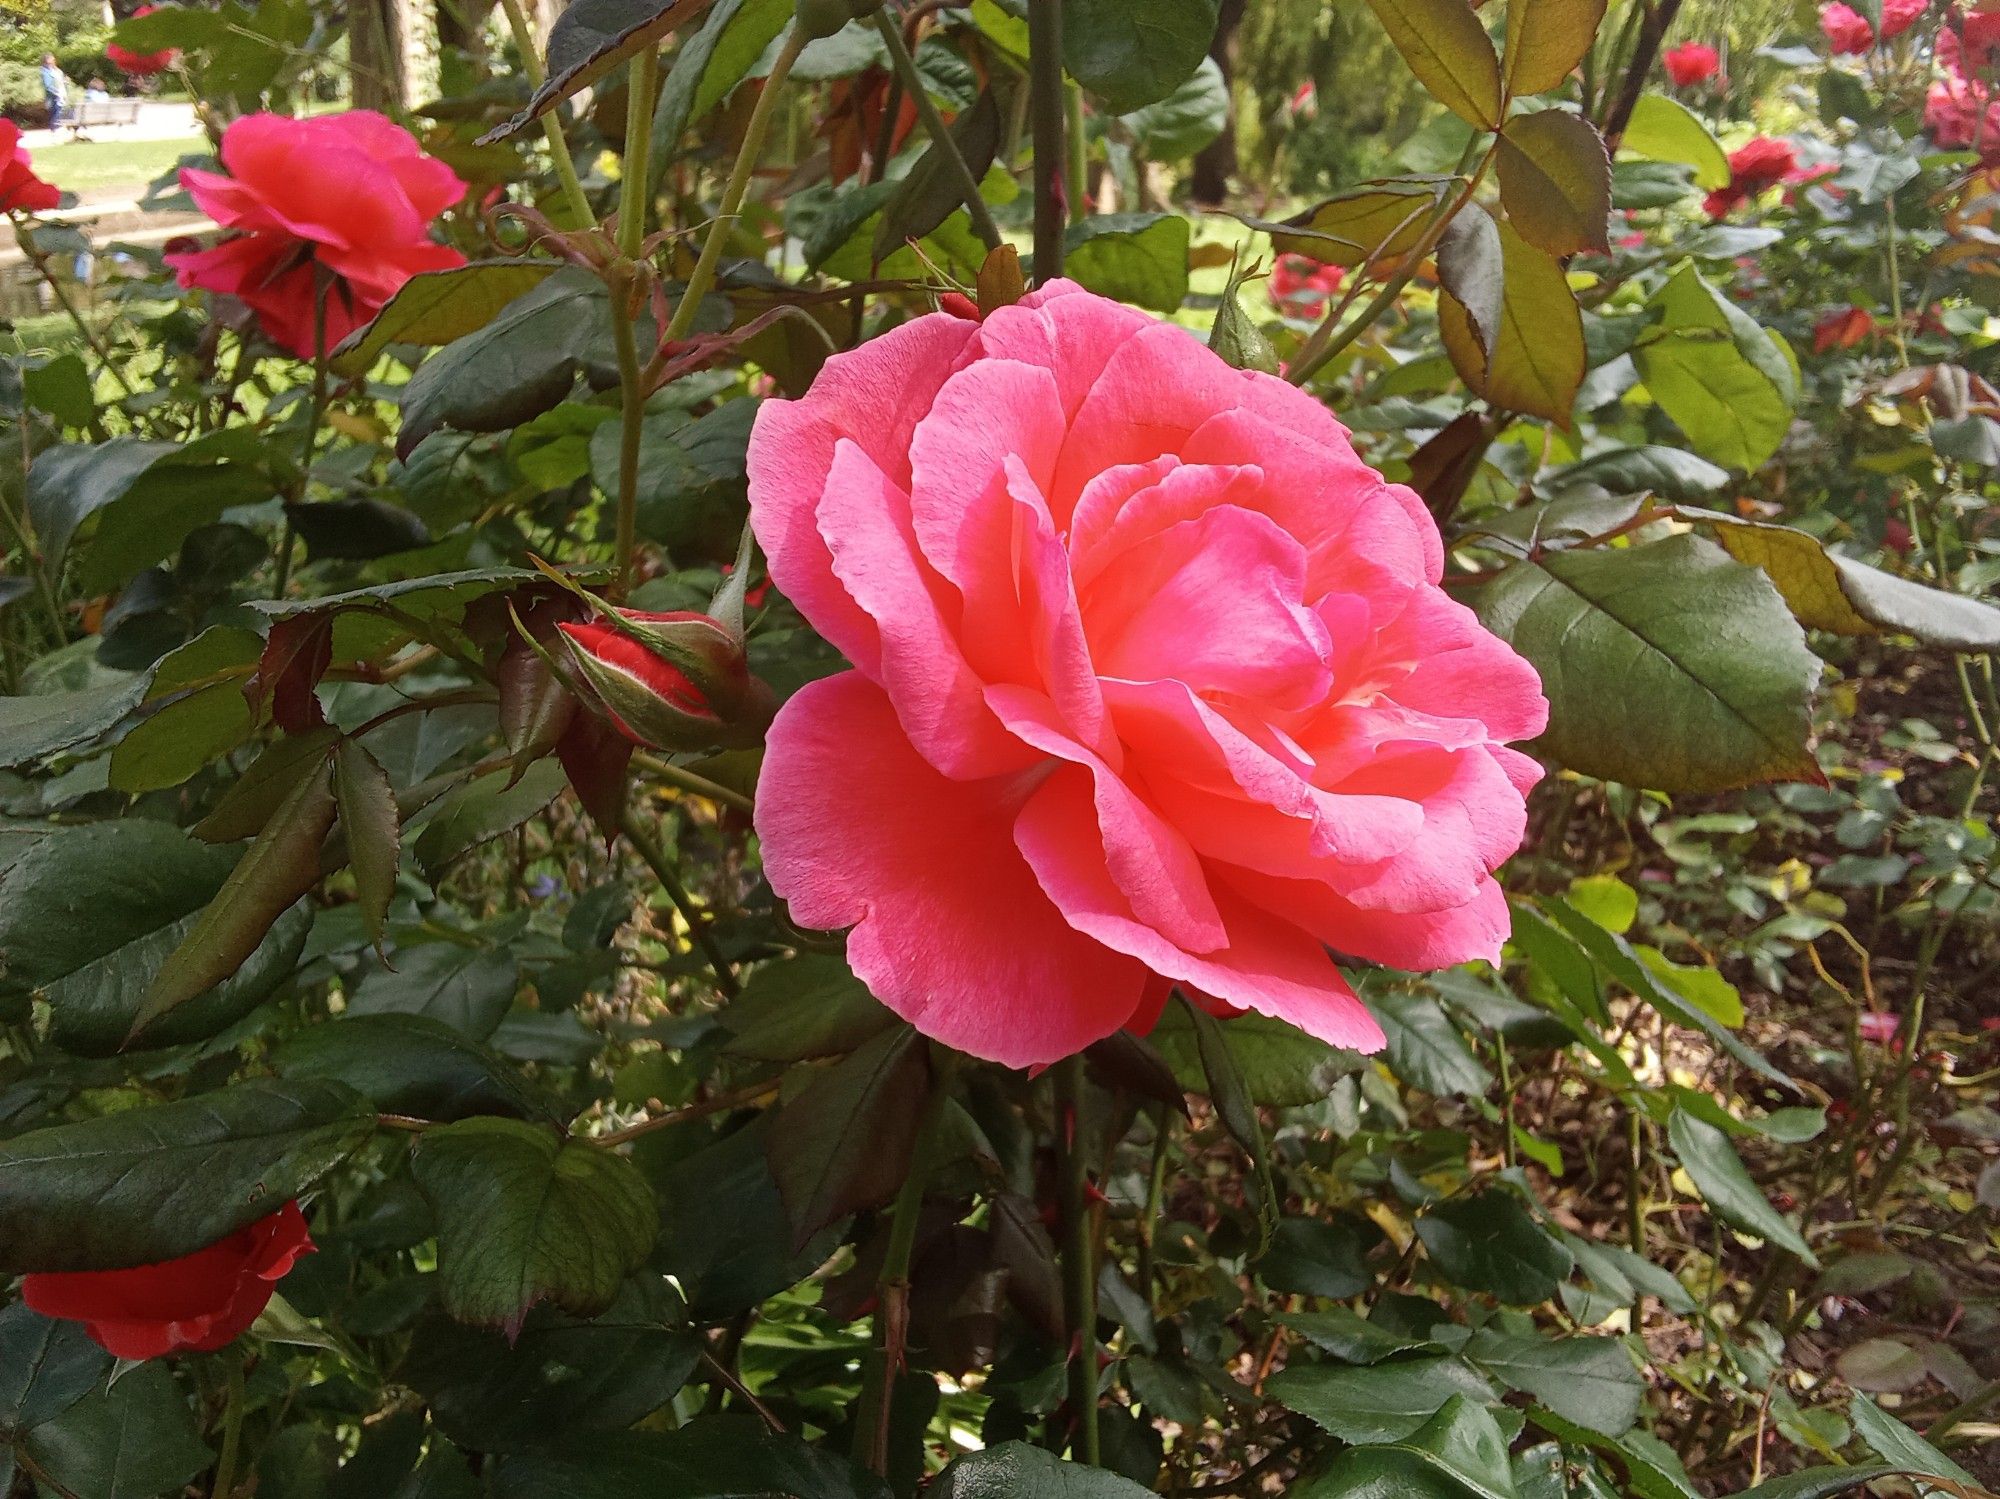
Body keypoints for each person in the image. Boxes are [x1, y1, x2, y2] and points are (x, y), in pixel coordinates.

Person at [39, 54, 67, 128]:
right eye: (49, 62)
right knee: (55, 112)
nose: (51, 63)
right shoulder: (45, 71)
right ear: (45, 62)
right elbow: (47, 86)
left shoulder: (57, 70)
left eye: (52, 61)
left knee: (58, 112)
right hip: (54, 96)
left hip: (60, 94)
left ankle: (55, 128)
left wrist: (64, 82)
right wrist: (57, 92)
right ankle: (54, 129)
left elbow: (61, 80)